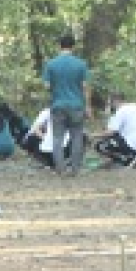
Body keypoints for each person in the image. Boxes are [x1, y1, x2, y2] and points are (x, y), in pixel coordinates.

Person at [43, 32, 89, 176]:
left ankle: (60, 168)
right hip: (76, 105)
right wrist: (88, 106)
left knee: (57, 138)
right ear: (73, 46)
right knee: (76, 137)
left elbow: (46, 85)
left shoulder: (51, 64)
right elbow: (85, 86)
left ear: (60, 46)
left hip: (58, 105)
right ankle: (75, 169)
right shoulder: (81, 64)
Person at [94, 94, 136, 168]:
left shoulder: (120, 111)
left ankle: (127, 160)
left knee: (100, 146)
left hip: (132, 146)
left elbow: (110, 132)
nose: (111, 106)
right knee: (116, 138)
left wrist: (92, 135)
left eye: (111, 103)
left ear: (116, 101)